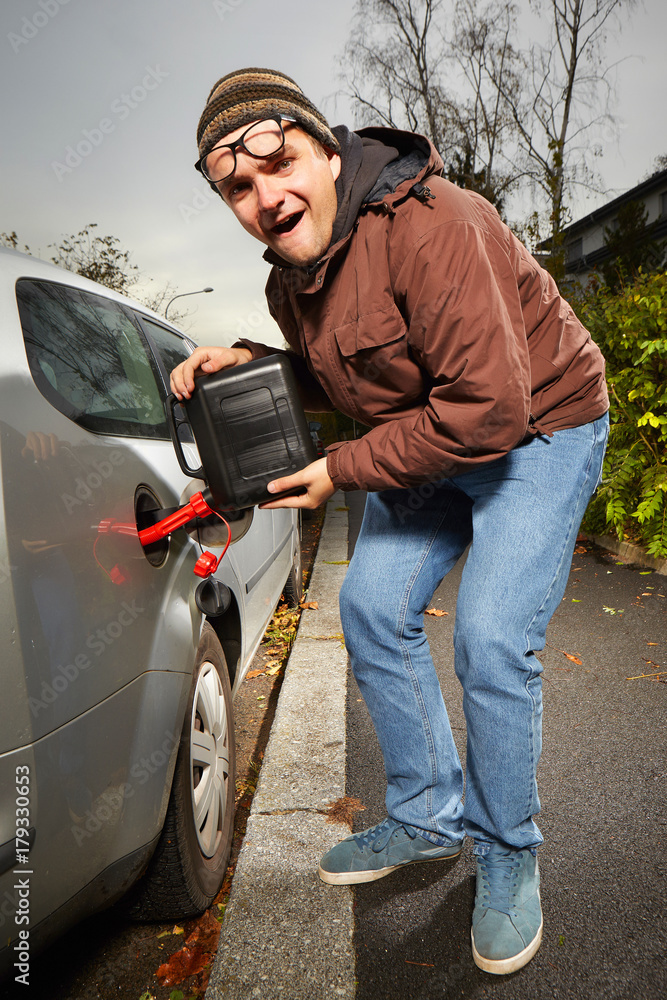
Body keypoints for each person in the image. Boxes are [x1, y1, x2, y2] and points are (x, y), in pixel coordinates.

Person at [170, 67, 609, 976]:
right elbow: (345, 376)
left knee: (489, 638)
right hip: (434, 429)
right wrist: (250, 364)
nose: (265, 198)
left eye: (280, 164)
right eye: (239, 190)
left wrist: (337, 470)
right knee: (372, 611)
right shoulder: (289, 284)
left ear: (328, 154)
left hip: (538, 425)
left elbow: (487, 410)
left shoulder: (436, 222)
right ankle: (426, 818)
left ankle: (504, 851)